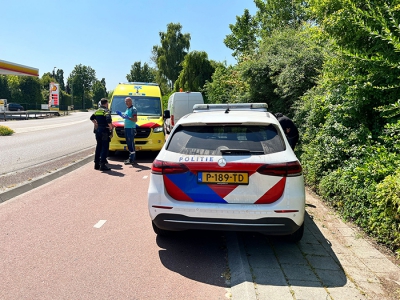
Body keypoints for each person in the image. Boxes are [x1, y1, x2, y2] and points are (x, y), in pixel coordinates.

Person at [90, 98, 113, 171]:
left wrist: (96, 123)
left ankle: (96, 164)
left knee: (98, 146)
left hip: (98, 130)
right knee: (104, 147)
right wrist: (111, 128)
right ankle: (102, 164)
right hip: (104, 131)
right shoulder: (106, 111)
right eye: (107, 103)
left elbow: (91, 118)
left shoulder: (97, 111)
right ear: (106, 103)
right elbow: (108, 120)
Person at [116, 97, 138, 165]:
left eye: (128, 101)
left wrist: (128, 118)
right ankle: (131, 158)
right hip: (127, 128)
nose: (126, 103)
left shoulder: (133, 109)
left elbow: (135, 119)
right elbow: (126, 117)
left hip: (130, 128)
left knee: (130, 143)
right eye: (125, 101)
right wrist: (122, 115)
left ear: (131, 101)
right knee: (129, 143)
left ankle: (132, 159)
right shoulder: (128, 109)